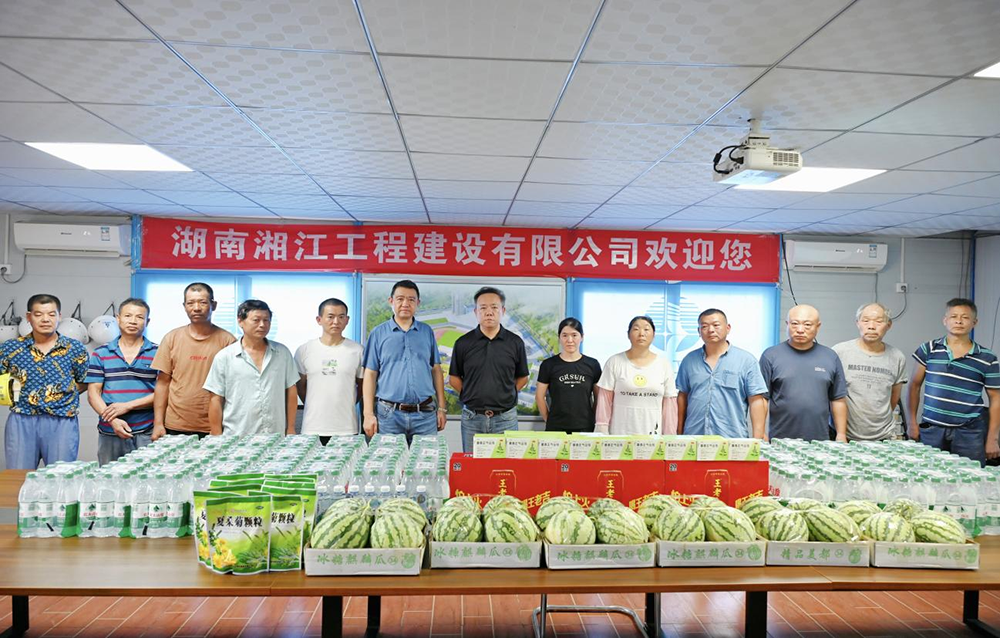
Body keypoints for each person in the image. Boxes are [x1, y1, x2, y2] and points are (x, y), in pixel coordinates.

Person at [0, 294, 88, 469]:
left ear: (59, 316)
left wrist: (61, 394)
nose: (45, 319)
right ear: (29, 317)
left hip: (62, 419)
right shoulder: (10, 348)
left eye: (51, 314)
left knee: (61, 476)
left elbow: (84, 380)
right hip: (22, 418)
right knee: (18, 475)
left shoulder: (75, 348)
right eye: (39, 314)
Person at [908, 298, 1000, 464]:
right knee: (928, 474)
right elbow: (914, 386)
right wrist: (912, 422)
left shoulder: (987, 358)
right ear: (945, 320)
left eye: (965, 317)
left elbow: (996, 399)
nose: (959, 321)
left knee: (970, 476)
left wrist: (992, 438)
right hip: (932, 429)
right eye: (953, 316)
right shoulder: (928, 349)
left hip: (970, 432)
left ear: (974, 322)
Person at [362, 280, 447, 441]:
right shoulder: (378, 333)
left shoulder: (426, 332)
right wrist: (368, 414)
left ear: (418, 303)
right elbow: (370, 374)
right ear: (391, 301)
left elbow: (436, 370)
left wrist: (442, 408)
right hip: (389, 416)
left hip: (425, 415)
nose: (405, 304)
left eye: (411, 299)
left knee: (426, 457)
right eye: (400, 299)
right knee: (388, 457)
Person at [151, 283, 235, 439]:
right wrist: (158, 424)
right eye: (190, 303)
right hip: (175, 425)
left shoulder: (228, 341)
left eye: (202, 302)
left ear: (213, 305)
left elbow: (234, 388)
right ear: (184, 306)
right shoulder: (171, 338)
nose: (196, 308)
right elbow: (162, 384)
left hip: (215, 427)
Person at [450, 286, 529, 452]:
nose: (489, 312)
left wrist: (507, 393)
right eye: (483, 308)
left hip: (506, 419)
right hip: (472, 419)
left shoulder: (515, 342)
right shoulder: (463, 343)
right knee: (472, 465)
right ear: (475, 312)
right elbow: (454, 378)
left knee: (507, 465)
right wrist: (470, 394)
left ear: (503, 311)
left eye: (494, 307)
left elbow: (523, 377)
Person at [203, 299, 299, 436]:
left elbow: (291, 392)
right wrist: (216, 434)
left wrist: (290, 428)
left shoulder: (282, 353)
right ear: (240, 321)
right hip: (236, 435)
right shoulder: (224, 357)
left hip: (275, 435)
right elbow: (215, 399)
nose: (262, 325)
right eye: (256, 320)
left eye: (266, 320)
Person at [85, 298, 158, 465]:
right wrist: (112, 420)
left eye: (139, 317)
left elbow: (163, 393)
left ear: (147, 322)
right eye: (128, 316)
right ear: (118, 319)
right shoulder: (101, 353)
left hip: (147, 431)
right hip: (110, 431)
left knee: (148, 477)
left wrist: (128, 406)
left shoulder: (158, 352)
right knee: (109, 478)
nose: (133, 321)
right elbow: (93, 393)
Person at [759, 304, 848, 442]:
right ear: (787, 324)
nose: (800, 330)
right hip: (780, 440)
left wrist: (841, 434)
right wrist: (760, 432)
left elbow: (838, 399)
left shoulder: (830, 357)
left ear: (818, 326)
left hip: (820, 440)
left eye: (807, 325)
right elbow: (762, 399)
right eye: (794, 324)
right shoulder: (770, 355)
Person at [676, 308, 767, 439]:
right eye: (704, 326)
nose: (710, 330)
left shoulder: (746, 361)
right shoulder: (689, 360)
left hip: (733, 439)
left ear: (728, 328)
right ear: (699, 331)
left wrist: (758, 439)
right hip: (694, 438)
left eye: (716, 325)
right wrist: (679, 433)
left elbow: (756, 401)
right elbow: (682, 397)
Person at [832, 302, 907, 441]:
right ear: (857, 323)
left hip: (884, 436)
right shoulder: (839, 352)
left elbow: (894, 397)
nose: (871, 326)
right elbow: (831, 394)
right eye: (865, 321)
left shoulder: (897, 357)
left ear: (888, 325)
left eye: (878, 321)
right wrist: (840, 434)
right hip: (844, 436)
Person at [295, 298, 364, 444]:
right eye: (330, 317)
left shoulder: (358, 351)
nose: (336, 322)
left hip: (346, 427)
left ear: (347, 320)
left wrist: (348, 401)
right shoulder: (304, 350)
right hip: (312, 427)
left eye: (341, 317)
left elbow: (362, 387)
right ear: (319, 320)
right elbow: (300, 387)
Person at [595, 316, 678, 435]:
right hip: (619, 435)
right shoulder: (614, 362)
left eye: (646, 329)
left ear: (654, 335)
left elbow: (669, 406)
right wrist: (601, 434)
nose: (641, 333)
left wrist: (669, 437)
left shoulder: (664, 364)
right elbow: (604, 402)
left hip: (653, 437)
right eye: (636, 329)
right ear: (628, 334)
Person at [535, 318, 602, 432]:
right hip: (556, 428)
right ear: (559, 338)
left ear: (582, 337)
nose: (569, 340)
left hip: (585, 427)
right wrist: (549, 420)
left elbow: (599, 398)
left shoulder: (592, 364)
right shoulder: (548, 365)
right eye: (565, 335)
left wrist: (592, 419)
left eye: (574, 335)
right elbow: (539, 397)